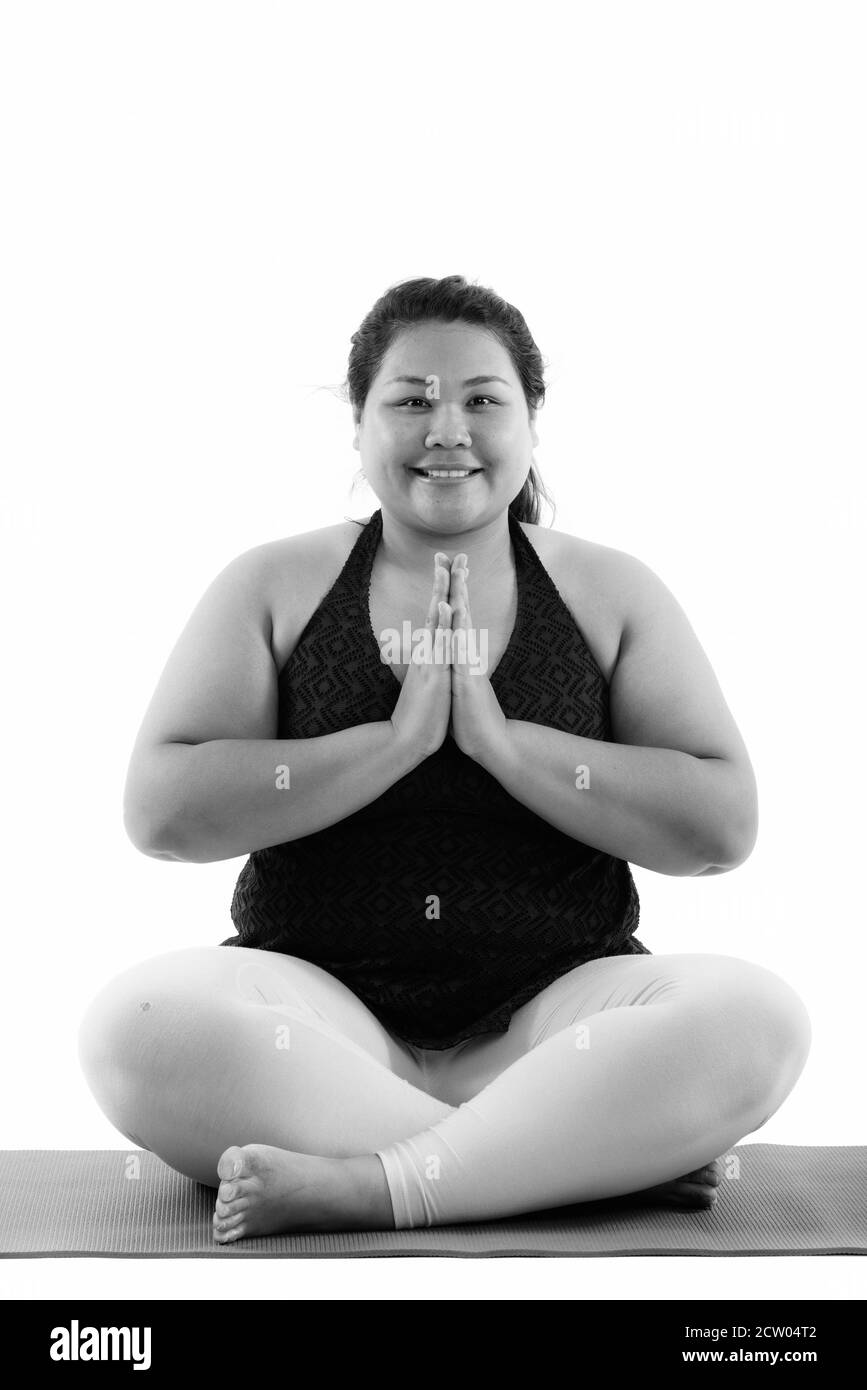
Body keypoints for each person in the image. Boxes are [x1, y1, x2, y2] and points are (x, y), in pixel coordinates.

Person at [78, 275, 811, 1240]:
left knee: (756, 1019)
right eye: (412, 399)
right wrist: (393, 744)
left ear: (531, 421)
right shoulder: (275, 586)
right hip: (322, 1033)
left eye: (482, 399)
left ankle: (383, 1185)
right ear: (359, 423)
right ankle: (562, 1164)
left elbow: (718, 830)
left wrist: (502, 744)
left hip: (555, 1029)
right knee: (135, 1025)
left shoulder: (609, 592)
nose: (448, 428)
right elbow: (162, 814)